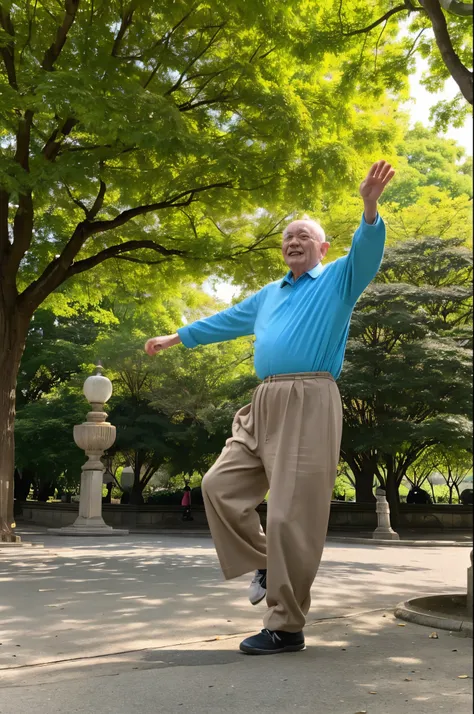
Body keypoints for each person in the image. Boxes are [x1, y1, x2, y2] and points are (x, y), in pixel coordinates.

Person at [145, 160, 395, 655]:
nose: (293, 242)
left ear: (322, 248)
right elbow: (227, 319)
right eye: (287, 237)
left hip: (310, 398)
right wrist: (177, 337)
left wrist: (369, 207)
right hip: (263, 402)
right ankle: (264, 563)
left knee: (289, 517)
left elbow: (366, 253)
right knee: (218, 485)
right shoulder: (269, 294)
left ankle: (286, 626)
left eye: (303, 236)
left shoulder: (339, 280)